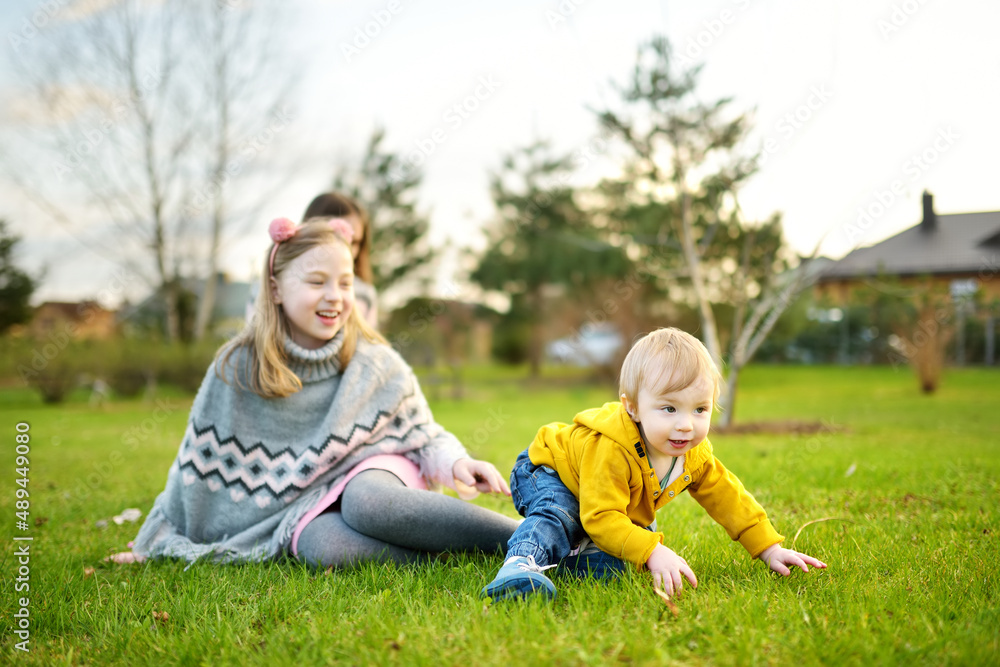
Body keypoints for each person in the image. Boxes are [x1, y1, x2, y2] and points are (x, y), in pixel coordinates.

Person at [115, 216, 518, 568]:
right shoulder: (237, 367)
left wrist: (455, 463)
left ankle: (534, 539)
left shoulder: (373, 361)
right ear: (275, 290)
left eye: (345, 284)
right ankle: (465, 553)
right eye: (316, 282)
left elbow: (424, 434)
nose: (335, 297)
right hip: (303, 504)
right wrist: (159, 537)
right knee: (326, 549)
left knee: (369, 503)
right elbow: (196, 464)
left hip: (376, 470)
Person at [482, 327, 827, 601]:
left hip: (600, 498)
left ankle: (573, 561)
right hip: (548, 471)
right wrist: (654, 550)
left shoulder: (693, 452)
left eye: (700, 409)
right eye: (669, 408)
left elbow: (727, 495)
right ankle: (519, 566)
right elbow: (600, 517)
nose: (686, 425)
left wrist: (768, 547)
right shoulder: (612, 448)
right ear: (632, 407)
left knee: (634, 551)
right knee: (563, 514)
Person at [302, 192, 378, 329]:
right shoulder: (274, 286)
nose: (345, 250)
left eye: (354, 243)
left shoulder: (365, 294)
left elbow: (369, 341)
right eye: (337, 238)